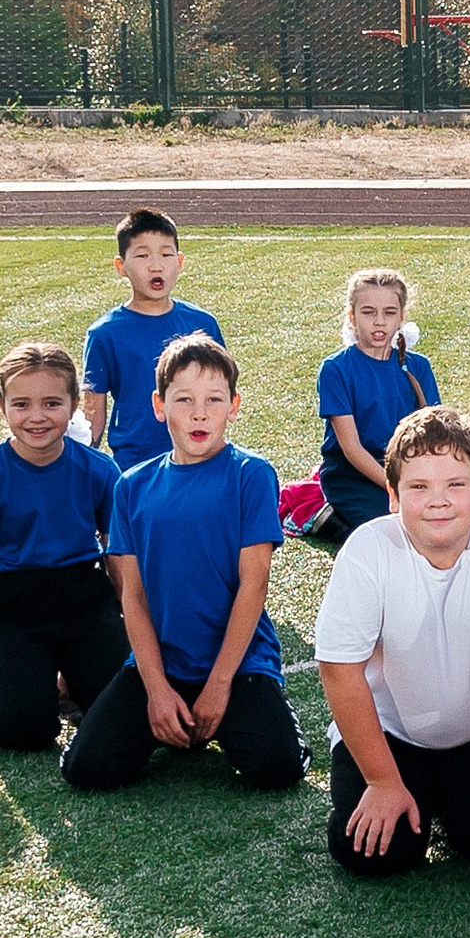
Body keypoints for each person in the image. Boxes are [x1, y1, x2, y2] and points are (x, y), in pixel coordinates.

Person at [311, 407, 470, 877]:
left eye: (456, 484)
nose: (438, 501)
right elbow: (339, 669)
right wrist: (381, 780)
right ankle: (409, 788)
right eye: (418, 487)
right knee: (374, 853)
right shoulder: (367, 551)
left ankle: (453, 797)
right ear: (392, 496)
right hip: (391, 731)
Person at [60, 334, 309, 794]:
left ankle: (223, 716)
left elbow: (253, 588)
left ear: (233, 405)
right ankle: (169, 717)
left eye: (214, 399)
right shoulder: (132, 485)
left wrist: (219, 685)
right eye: (184, 399)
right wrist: (155, 688)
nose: (199, 413)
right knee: (86, 770)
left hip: (237, 664)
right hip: (161, 663)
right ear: (159, 405)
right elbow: (131, 596)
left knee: (278, 768)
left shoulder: (250, 475)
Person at [0, 342, 127, 752]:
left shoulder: (99, 469)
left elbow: (119, 553)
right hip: (14, 605)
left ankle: (72, 678)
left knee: (120, 712)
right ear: (3, 407)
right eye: (21, 404)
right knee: (25, 731)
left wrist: (131, 618)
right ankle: (35, 679)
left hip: (84, 601)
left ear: (74, 404)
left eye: (52, 403)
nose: (37, 417)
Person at [80, 205, 223, 468]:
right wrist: (80, 466)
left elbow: (221, 394)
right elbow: (93, 414)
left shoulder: (203, 324)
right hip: (135, 462)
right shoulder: (104, 333)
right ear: (120, 266)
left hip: (201, 457)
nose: (156, 266)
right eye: (142, 256)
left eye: (166, 254)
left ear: (179, 262)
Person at [309, 268, 441, 545]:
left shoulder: (418, 366)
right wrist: (395, 487)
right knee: (390, 530)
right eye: (368, 312)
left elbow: (433, 432)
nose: (379, 322)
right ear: (352, 316)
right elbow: (351, 448)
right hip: (352, 474)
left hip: (407, 468)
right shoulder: (336, 369)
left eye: (389, 312)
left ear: (401, 317)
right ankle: (325, 520)